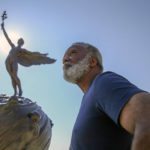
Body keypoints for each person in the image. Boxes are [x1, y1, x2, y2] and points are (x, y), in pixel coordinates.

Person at [62, 42, 150, 150]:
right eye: (65, 56)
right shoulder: (89, 98)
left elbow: (146, 118)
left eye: (73, 52)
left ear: (92, 61)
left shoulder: (102, 83)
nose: (65, 59)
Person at [1, 22, 56, 96]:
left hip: (14, 62)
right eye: (19, 41)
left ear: (22, 43)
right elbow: (7, 37)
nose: (20, 42)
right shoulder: (13, 46)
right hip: (7, 61)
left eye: (21, 41)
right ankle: (15, 92)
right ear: (18, 42)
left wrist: (41, 55)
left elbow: (32, 53)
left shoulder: (22, 50)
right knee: (12, 77)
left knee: (14, 75)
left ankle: (20, 89)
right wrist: (3, 28)